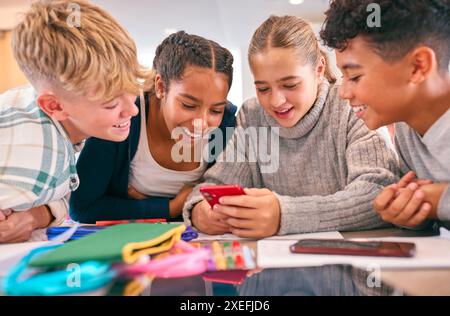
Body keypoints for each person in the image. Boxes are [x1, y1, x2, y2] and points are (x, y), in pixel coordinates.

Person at [182, 16, 399, 238]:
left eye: (290, 85)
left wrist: (285, 215)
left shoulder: (351, 105)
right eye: (263, 89)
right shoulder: (252, 115)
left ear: (319, 69)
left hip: (351, 261)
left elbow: (379, 192)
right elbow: (213, 187)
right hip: (270, 265)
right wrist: (201, 212)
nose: (276, 101)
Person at [0, 0, 150, 243]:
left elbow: (56, 192)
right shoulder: (36, 155)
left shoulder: (38, 106)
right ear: (55, 106)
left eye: (132, 88)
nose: (132, 110)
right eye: (111, 104)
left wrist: (38, 214)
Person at [69, 31, 237, 223]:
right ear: (161, 87)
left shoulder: (227, 125)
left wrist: (134, 207)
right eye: (188, 105)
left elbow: (221, 203)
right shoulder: (124, 116)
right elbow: (82, 207)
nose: (201, 124)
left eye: (215, 110)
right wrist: (170, 207)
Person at [320, 0, 450, 228]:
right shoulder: (406, 128)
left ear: (418, 67)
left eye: (355, 77)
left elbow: (432, 197)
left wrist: (436, 199)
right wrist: (409, 212)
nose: (343, 93)